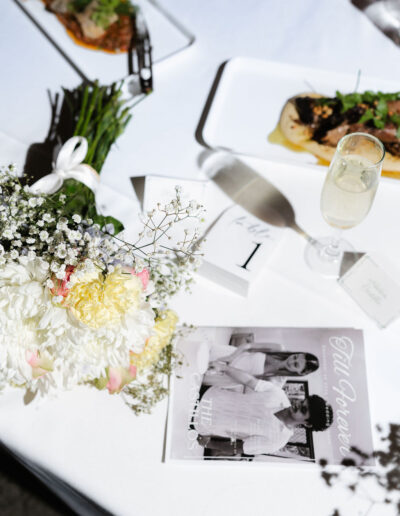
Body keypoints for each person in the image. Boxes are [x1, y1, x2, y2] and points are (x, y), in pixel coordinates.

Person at [194, 383, 333, 456]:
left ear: (307, 424)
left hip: (201, 420)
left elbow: (240, 447)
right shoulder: (279, 394)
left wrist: (209, 444)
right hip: (208, 392)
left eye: (303, 410)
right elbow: (249, 381)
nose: (297, 404)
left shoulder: (277, 441)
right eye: (302, 401)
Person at [203, 341, 319, 390]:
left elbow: (249, 383)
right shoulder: (278, 348)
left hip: (226, 376)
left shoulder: (278, 382)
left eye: (296, 364)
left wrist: (225, 369)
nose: (291, 361)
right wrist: (230, 357)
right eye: (295, 357)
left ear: (300, 373)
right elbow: (249, 346)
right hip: (227, 355)